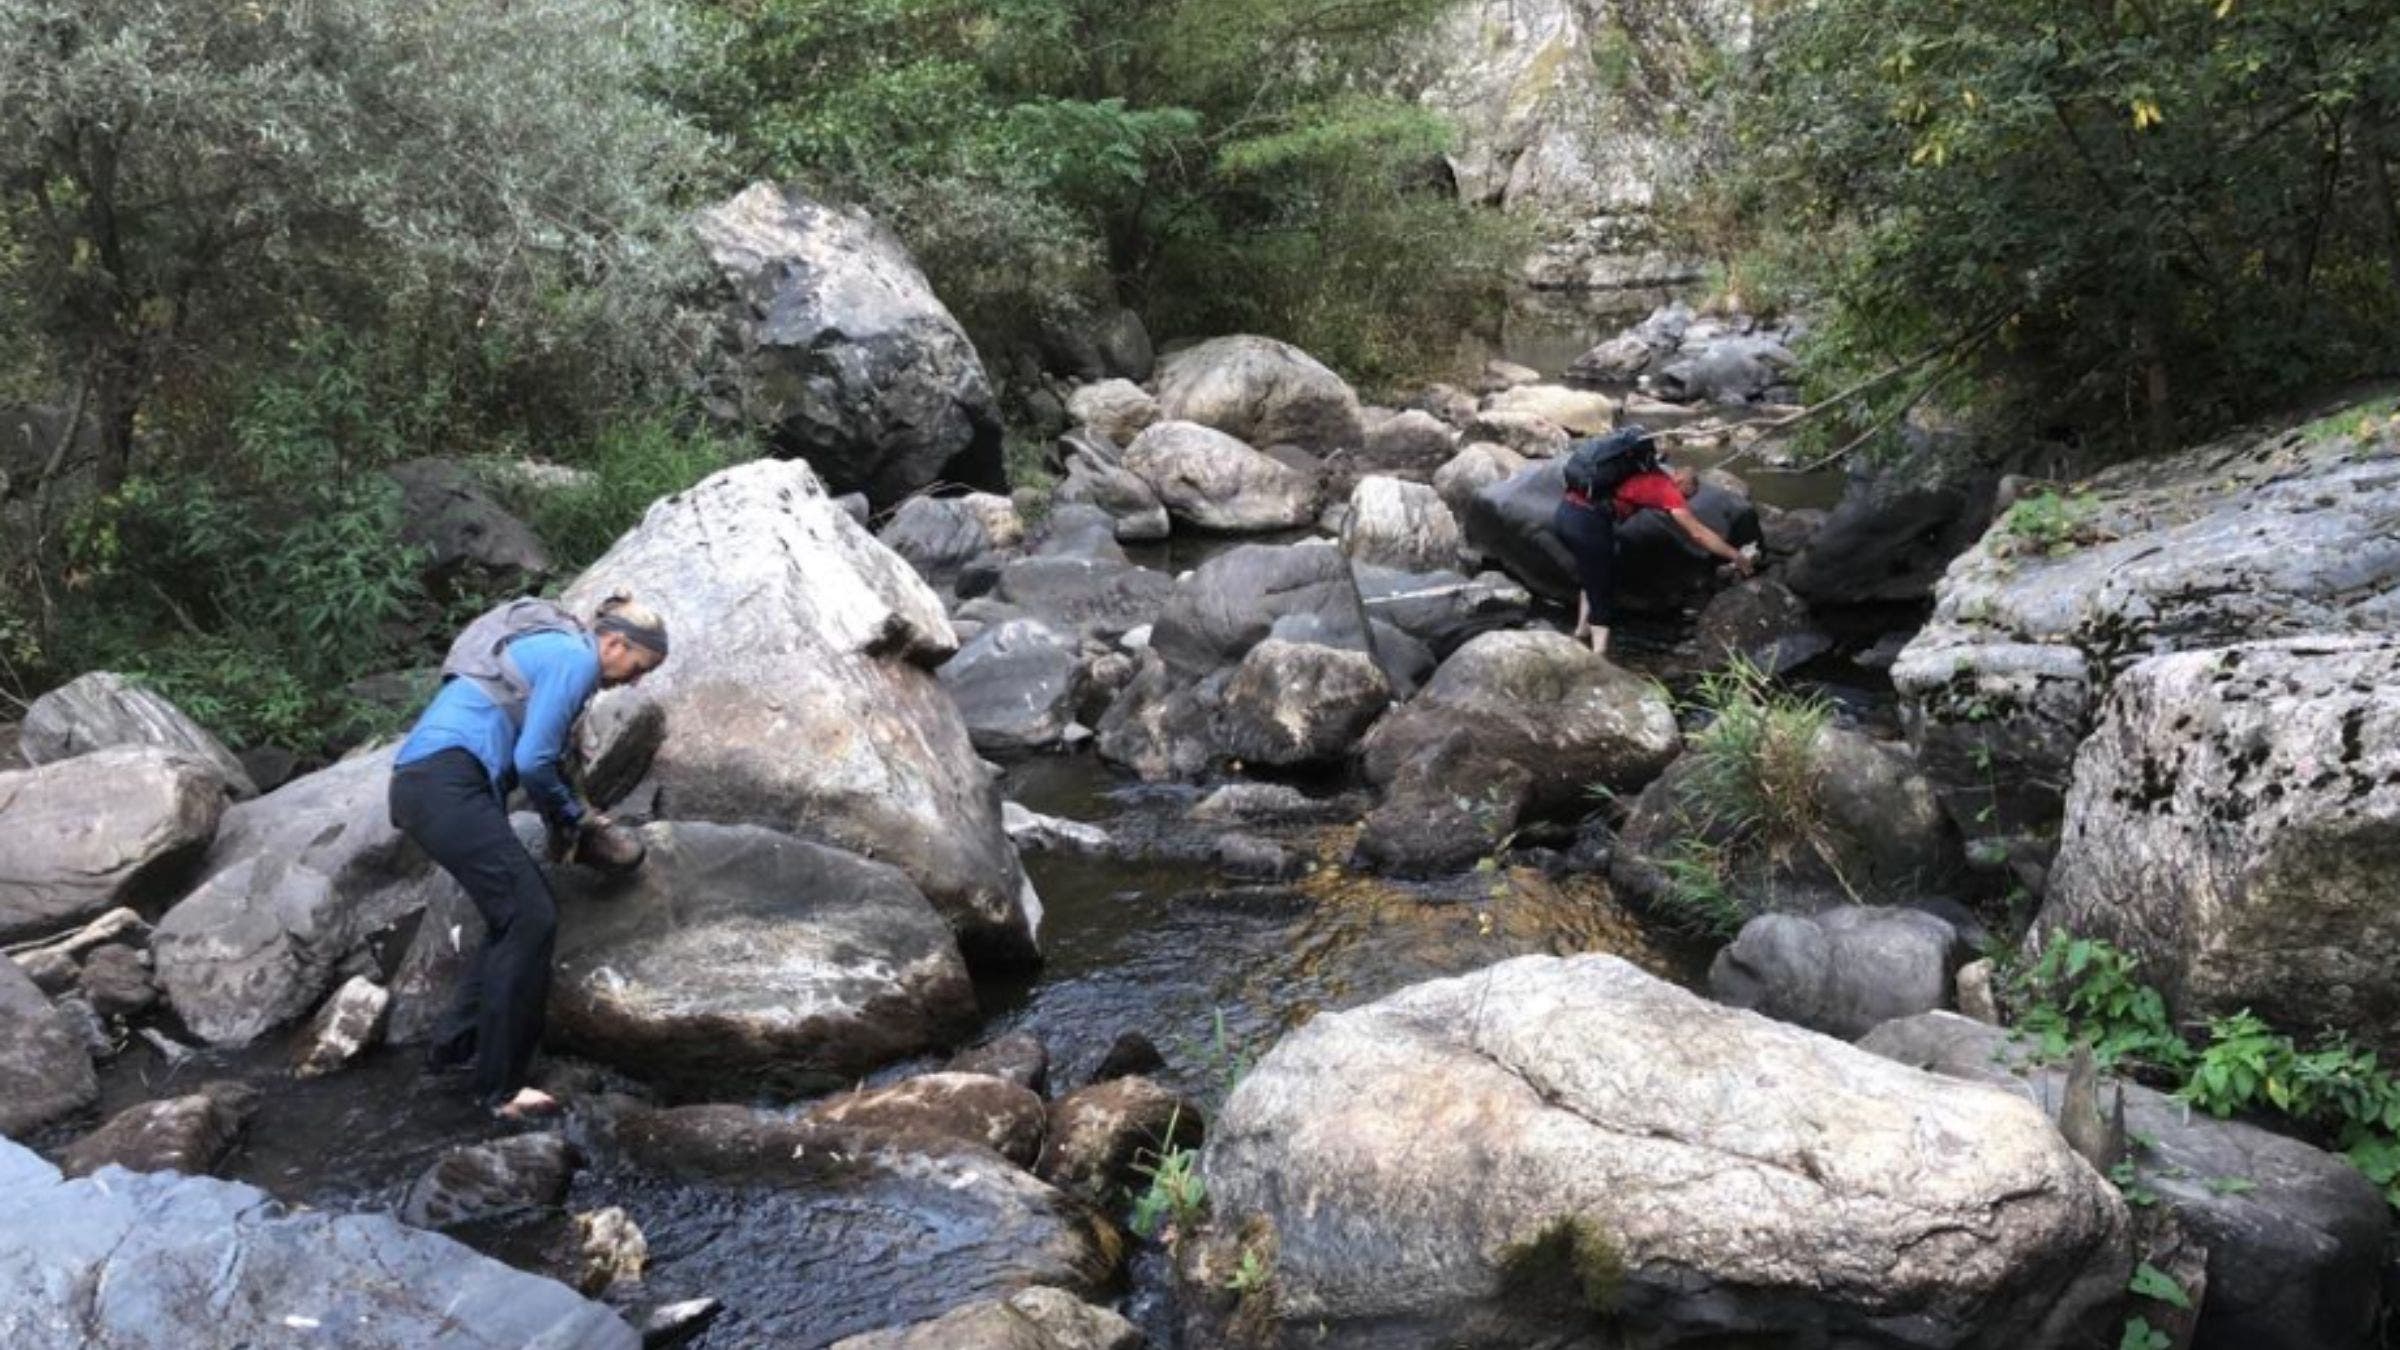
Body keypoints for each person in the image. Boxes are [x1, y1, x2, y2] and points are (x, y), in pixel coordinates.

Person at [387, 593, 668, 1120]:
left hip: (426, 784)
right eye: (638, 668)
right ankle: (501, 1089)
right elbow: (535, 761)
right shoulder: (574, 658)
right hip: (447, 782)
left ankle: (453, 1052)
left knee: (508, 918)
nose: (633, 682)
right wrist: (576, 820)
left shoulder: (551, 651)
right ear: (614, 643)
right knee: (531, 917)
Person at [1552, 427, 1752, 656]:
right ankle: (1600, 654)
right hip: (1587, 523)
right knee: (1601, 587)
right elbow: (1698, 533)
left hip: (1565, 513)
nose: (1686, 501)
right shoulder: (1667, 489)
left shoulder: (1643, 472)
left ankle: (1581, 632)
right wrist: (1736, 555)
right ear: (1683, 482)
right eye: (1689, 495)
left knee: (1592, 575)